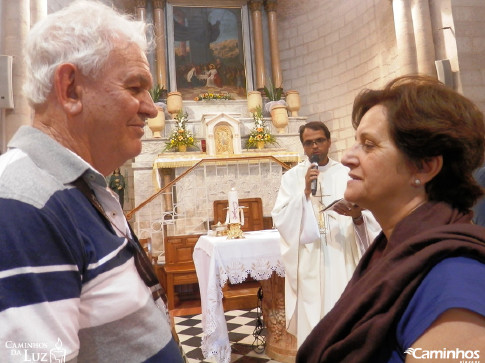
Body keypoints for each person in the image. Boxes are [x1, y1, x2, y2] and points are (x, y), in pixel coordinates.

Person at [0, 1, 184, 362]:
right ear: (70, 89)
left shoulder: (75, 187)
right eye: (135, 87)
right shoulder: (23, 204)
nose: (151, 108)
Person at [297, 75, 485, 363]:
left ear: (425, 167)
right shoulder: (391, 248)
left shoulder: (455, 281)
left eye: (368, 144)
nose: (347, 157)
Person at [271, 121, 380, 347]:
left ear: (329, 142)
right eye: (309, 143)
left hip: (342, 255)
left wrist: (357, 215)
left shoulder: (348, 174)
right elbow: (280, 218)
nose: (315, 147)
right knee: (313, 321)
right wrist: (303, 195)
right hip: (309, 258)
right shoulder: (292, 178)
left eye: (319, 140)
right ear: (303, 147)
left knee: (343, 312)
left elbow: (371, 215)